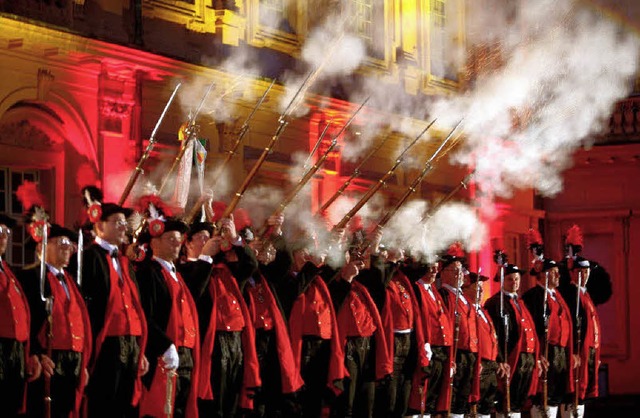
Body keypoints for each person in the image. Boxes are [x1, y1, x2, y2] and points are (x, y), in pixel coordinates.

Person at [73, 194, 149, 418]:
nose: (122, 227)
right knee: (104, 402)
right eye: (116, 222)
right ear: (99, 225)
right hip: (106, 342)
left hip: (130, 343)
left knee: (127, 405)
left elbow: (136, 307)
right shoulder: (88, 258)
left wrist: (140, 349)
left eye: (124, 223)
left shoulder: (125, 262)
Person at [180, 214, 261, 418]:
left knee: (233, 396)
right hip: (212, 342)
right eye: (201, 237)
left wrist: (234, 238)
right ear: (187, 243)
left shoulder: (225, 268)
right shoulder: (185, 269)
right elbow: (194, 290)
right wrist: (205, 257)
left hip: (235, 339)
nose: (207, 241)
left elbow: (251, 266)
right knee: (215, 399)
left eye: (209, 237)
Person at [19, 223, 92, 418]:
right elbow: (25, 320)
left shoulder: (72, 282)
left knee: (67, 410)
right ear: (41, 247)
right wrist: (35, 352)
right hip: (49, 359)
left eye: (69, 243)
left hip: (73, 360)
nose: (67, 248)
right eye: (61, 242)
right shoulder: (30, 277)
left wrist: (82, 362)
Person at [136, 216, 203, 418]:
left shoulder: (178, 273)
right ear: (155, 243)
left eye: (178, 239)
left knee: (181, 407)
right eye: (170, 239)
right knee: (161, 409)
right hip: (163, 355)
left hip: (186, 355)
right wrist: (164, 345)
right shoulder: (148, 273)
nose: (177, 243)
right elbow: (145, 315)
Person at [328, 254, 393, 418]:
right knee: (347, 401)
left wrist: (375, 251)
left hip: (367, 345)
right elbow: (335, 304)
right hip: (347, 347)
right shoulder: (331, 285)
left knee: (366, 401)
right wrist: (346, 278)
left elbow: (380, 283)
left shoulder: (362, 286)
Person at [484, 262, 539, 418]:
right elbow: (494, 334)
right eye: (510, 279)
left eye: (516, 279)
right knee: (506, 400)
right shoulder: (495, 303)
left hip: (526, 358)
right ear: (502, 281)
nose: (514, 283)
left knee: (519, 400)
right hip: (511, 357)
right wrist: (500, 358)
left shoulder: (520, 302)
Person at [0, 213, 41, 418]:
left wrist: (29, 353)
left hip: (15, 352)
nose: (3, 237)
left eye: (6, 233)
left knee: (12, 406)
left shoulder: (7, 270)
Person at [522, 258, 574, 418]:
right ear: (544, 275)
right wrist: (538, 355)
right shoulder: (533, 296)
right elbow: (531, 330)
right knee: (543, 395)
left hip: (561, 352)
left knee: (557, 394)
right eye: (554, 272)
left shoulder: (558, 296)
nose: (558, 275)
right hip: (546, 351)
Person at [438, 247, 479, 418]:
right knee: (451, 398)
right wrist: (450, 357)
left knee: (462, 400)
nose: (460, 274)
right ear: (444, 273)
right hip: (456, 354)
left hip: (469, 353)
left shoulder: (465, 298)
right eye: (454, 270)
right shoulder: (444, 295)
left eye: (461, 270)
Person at [409, 259, 453, 418]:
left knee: (433, 397)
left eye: (437, 267)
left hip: (440, 350)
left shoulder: (434, 290)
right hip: (428, 348)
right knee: (420, 397)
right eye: (431, 267)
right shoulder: (416, 289)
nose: (435, 271)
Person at [559, 256, 601, 418]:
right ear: (572, 273)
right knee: (574, 388)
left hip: (590, 349)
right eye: (579, 272)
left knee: (584, 390)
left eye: (586, 272)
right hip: (578, 350)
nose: (583, 275)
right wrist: (573, 351)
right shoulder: (570, 294)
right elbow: (570, 326)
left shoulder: (585, 294)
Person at [463, 272, 505, 418]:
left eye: (482, 288)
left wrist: (499, 360)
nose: (481, 291)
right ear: (466, 289)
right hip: (479, 365)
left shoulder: (482, 311)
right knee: (474, 405)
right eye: (477, 288)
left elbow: (493, 338)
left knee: (487, 406)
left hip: (491, 365)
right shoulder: (467, 310)